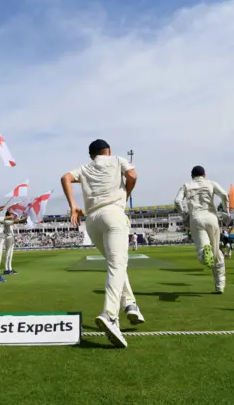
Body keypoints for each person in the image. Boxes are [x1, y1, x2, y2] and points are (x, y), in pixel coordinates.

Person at [61, 139, 144, 348]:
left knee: (115, 266)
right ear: (109, 151)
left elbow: (65, 178)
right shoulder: (117, 160)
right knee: (117, 266)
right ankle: (109, 315)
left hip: (92, 221)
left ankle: (130, 304)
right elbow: (133, 176)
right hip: (113, 215)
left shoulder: (85, 167)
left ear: (91, 155)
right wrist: (126, 194)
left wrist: (73, 207)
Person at [174, 165, 229, 294]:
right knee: (217, 253)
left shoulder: (187, 185)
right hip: (212, 218)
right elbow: (225, 195)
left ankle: (204, 251)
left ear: (192, 175)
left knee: (202, 250)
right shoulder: (211, 183)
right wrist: (226, 211)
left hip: (196, 218)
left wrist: (184, 215)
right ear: (204, 174)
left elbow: (177, 201)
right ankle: (220, 285)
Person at [3, 209, 25, 275]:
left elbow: (15, 221)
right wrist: (23, 218)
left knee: (11, 254)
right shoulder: (6, 221)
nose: (12, 215)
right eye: (11, 214)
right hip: (8, 237)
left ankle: (9, 268)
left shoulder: (9, 221)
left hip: (11, 237)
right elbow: (15, 222)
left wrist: (22, 216)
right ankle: (6, 269)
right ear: (7, 215)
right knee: (8, 253)